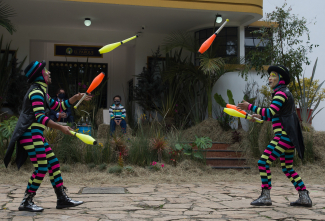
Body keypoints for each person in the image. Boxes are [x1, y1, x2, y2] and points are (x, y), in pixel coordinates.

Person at [4, 60, 92, 212]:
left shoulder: (42, 92)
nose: (49, 72)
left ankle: (62, 199)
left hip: (35, 134)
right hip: (30, 133)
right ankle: (27, 201)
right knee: (42, 166)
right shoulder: (36, 92)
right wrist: (60, 127)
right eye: (46, 70)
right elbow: (40, 117)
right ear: (40, 75)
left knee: (53, 163)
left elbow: (59, 106)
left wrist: (76, 98)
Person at [237, 65, 312, 207]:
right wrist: (259, 117)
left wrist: (250, 107)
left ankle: (266, 196)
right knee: (287, 168)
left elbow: (270, 112)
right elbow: (276, 116)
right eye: (269, 75)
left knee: (263, 162)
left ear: (281, 78)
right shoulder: (283, 93)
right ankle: (304, 196)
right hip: (289, 137)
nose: (269, 78)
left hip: (283, 136)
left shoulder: (281, 94)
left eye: (273, 75)